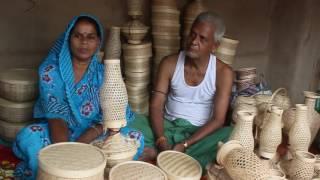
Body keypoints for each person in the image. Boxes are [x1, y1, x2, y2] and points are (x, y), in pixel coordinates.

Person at [12, 14, 144, 179]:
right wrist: (67, 152)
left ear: (98, 42)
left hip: (94, 132)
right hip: (58, 133)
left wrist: (85, 140)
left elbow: (113, 114)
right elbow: (56, 117)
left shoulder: (104, 74)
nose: (84, 42)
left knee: (134, 137)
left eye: (91, 37)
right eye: (78, 36)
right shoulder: (50, 70)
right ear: (68, 38)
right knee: (30, 135)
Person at [129, 12, 233, 169]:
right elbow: (156, 106)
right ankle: (172, 153)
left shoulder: (223, 72)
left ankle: (161, 153)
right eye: (192, 34)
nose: (193, 41)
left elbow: (218, 120)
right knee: (126, 119)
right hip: (168, 126)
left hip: (198, 133)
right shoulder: (169, 63)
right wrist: (161, 139)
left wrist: (185, 143)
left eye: (202, 39)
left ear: (214, 46)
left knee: (232, 135)